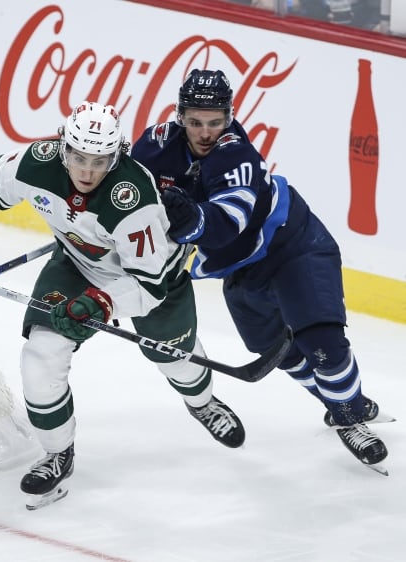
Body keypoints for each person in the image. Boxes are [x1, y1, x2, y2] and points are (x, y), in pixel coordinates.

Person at [0, 101, 246, 510]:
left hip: (150, 283)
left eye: (100, 161)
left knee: (174, 359)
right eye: (78, 157)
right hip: (76, 266)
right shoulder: (37, 162)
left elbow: (148, 286)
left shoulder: (134, 202)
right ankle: (58, 454)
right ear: (63, 147)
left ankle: (203, 404)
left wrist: (103, 303)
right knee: (41, 356)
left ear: (117, 157)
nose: (86, 171)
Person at [130, 69, 388, 471]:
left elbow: (224, 224)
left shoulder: (236, 153)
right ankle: (339, 401)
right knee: (275, 352)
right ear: (180, 115)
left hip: (292, 245)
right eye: (195, 121)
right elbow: (123, 190)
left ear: (229, 118)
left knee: (322, 341)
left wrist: (191, 220)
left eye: (215, 122)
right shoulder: (156, 144)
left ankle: (350, 417)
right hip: (238, 266)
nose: (205, 132)